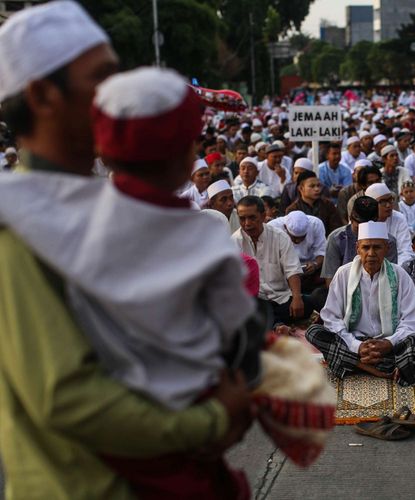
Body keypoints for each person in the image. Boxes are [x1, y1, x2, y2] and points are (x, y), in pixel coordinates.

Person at [0, 7, 252, 496]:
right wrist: (210, 421)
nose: (116, 95)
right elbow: (67, 397)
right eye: (101, 79)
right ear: (42, 95)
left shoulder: (108, 207)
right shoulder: (17, 227)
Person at [306, 221, 415, 386]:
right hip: (353, 341)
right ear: (357, 248)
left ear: (387, 248)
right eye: (366, 247)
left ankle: (352, 363)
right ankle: (376, 368)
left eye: (377, 247)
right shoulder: (344, 274)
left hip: (389, 345)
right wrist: (357, 346)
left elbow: (411, 320)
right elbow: (331, 317)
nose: (371, 253)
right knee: (313, 332)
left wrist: (389, 343)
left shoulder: (400, 275)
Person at [234, 196, 313, 324]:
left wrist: (297, 297)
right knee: (250, 310)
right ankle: (276, 324)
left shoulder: (279, 237)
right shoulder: (234, 242)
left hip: (281, 298)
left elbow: (292, 270)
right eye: (242, 219)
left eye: (252, 217)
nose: (247, 223)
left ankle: (272, 323)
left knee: (310, 302)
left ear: (263, 215)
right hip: (255, 301)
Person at [322, 196, 398, 285]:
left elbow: (390, 276)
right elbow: (331, 279)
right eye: (360, 224)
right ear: (350, 218)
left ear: (377, 221)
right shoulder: (336, 238)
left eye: (368, 224)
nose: (364, 228)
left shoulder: (388, 241)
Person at [268, 210, 327, 293]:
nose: (298, 241)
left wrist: (315, 264)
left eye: (302, 237)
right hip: (283, 272)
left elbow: (322, 252)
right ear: (285, 227)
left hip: (310, 271)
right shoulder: (272, 228)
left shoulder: (316, 224)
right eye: (294, 238)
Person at [365, 182, 414, 265]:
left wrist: (393, 271)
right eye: (382, 201)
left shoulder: (399, 218)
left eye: (390, 200)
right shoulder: (362, 219)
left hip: (395, 268)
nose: (388, 205)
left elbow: (406, 252)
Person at [286, 170, 342, 236]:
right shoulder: (293, 210)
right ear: (301, 188)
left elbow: (335, 231)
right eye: (312, 186)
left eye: (318, 185)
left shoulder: (328, 205)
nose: (317, 189)